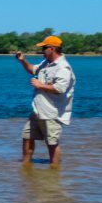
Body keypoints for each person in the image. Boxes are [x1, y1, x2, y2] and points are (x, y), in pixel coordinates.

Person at [16, 34, 76, 165]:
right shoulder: (46, 63)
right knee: (27, 137)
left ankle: (54, 170)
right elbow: (33, 70)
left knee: (52, 143)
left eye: (44, 48)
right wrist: (22, 60)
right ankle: (25, 166)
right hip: (37, 110)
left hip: (52, 113)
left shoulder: (63, 67)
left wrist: (40, 85)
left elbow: (60, 88)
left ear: (52, 49)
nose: (41, 51)